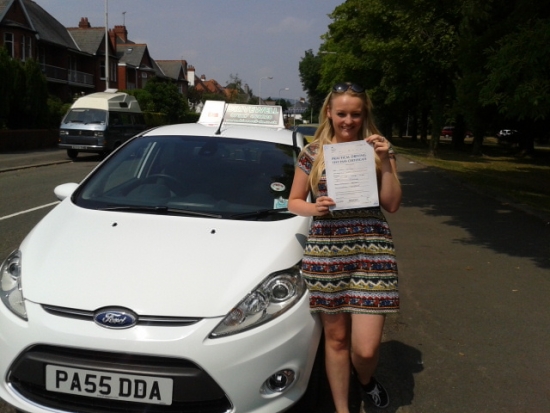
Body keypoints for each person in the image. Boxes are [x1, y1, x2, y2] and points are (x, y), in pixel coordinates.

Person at [288, 82, 402, 413]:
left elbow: (392, 204)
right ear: (329, 113)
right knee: (336, 341)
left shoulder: (380, 148)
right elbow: (294, 201)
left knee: (365, 350)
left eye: (355, 114)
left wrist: (384, 160)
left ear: (363, 114)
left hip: (372, 252)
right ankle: (342, 409)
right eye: (341, 114)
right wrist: (315, 207)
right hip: (327, 255)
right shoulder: (312, 153)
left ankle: (365, 380)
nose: (348, 121)